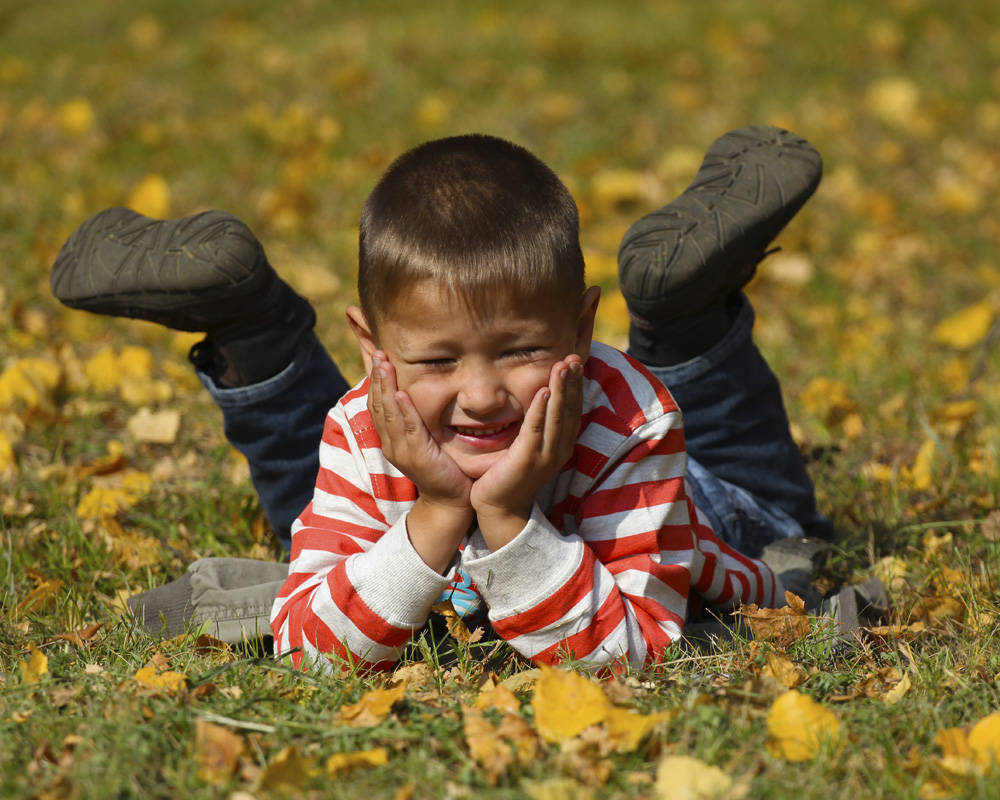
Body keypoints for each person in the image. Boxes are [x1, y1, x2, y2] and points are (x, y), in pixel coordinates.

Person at [50, 126, 834, 669]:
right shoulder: (361, 425)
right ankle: (688, 319)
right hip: (395, 477)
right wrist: (432, 513)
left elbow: (637, 655)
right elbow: (308, 648)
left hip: (668, 505)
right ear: (372, 349)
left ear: (584, 330)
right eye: (435, 358)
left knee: (756, 516)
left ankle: (260, 344)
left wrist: (505, 519)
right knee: (326, 509)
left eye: (523, 349)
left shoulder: (634, 423)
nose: (485, 395)